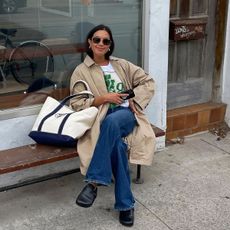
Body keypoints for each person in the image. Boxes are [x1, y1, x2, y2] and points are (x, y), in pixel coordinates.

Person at [70, 24, 156, 227]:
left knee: (112, 122)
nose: (101, 43)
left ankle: (93, 182)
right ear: (90, 43)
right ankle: (126, 205)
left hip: (125, 115)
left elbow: (148, 82)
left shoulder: (121, 65)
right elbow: (77, 103)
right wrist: (103, 99)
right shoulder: (81, 71)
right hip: (102, 118)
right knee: (117, 146)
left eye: (105, 41)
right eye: (97, 39)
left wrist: (135, 101)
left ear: (110, 46)